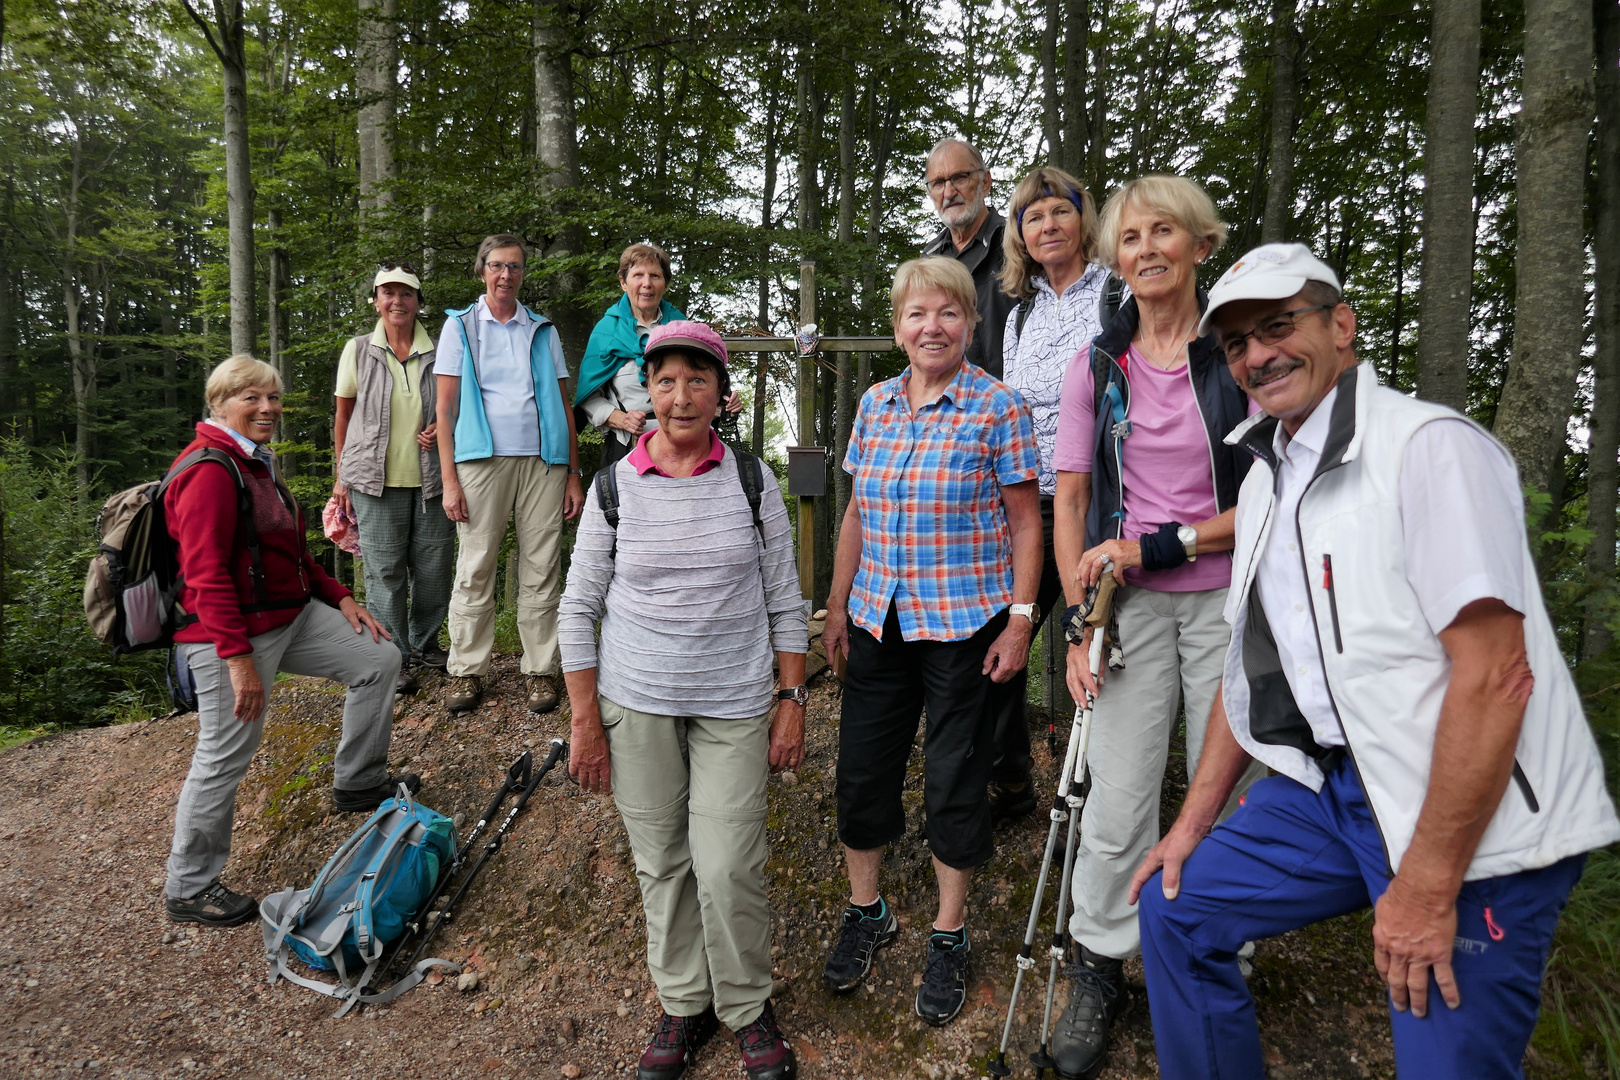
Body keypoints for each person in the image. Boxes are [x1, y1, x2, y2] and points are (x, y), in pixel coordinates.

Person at [1131, 242, 1620, 1079]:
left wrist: (1428, 886)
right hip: (1340, 789)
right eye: (1237, 343)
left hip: (1477, 819)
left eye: (1278, 325)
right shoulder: (1264, 479)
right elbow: (1252, 669)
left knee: (1444, 1056)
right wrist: (1189, 825)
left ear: (1342, 325)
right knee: (1175, 906)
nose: (1257, 355)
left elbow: (1499, 677)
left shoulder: (1426, 449)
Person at [1046, 175, 1257, 1080]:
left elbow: (1274, 495)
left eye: (1162, 233)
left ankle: (1218, 951)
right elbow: (1070, 495)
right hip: (1125, 608)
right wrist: (1073, 622)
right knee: (1119, 792)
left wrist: (1160, 545)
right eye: (1128, 240)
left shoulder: (1237, 355)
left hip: (1229, 597)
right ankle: (1101, 962)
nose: (1145, 252)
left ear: (1199, 245)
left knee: (1226, 795)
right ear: (1113, 258)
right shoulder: (1098, 364)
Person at [560, 320, 806, 1080]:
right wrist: (584, 722)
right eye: (665, 380)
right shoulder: (614, 485)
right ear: (648, 392)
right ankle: (683, 1002)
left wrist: (792, 697)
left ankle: (745, 1004)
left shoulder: (751, 479)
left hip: (734, 700)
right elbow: (578, 608)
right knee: (662, 861)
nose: (680, 395)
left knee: (728, 862)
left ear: (720, 395)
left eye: (697, 379)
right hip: (637, 704)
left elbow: (784, 597)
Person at [821, 257, 1042, 1027]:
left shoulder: (998, 407)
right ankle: (867, 909)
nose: (932, 327)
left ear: (970, 325)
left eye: (947, 313)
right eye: (917, 315)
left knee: (954, 778)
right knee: (861, 772)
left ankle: (949, 931)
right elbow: (854, 514)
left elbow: (1025, 521)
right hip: (880, 618)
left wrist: (1021, 619)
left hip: (964, 626)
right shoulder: (877, 405)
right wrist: (836, 604)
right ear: (898, 328)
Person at [162, 356, 417, 928]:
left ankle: (358, 782)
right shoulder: (209, 470)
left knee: (379, 658)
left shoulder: (256, 464)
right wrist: (237, 659)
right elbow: (204, 576)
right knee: (225, 754)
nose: (267, 409)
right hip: (229, 634)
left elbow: (291, 553)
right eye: (252, 398)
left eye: (273, 398)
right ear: (220, 403)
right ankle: (189, 885)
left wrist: (341, 596)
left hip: (291, 616)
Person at [988, 164, 1110, 822]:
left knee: (1091, 639)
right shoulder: (1021, 312)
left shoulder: (1115, 294)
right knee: (1008, 634)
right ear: (1020, 233)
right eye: (1033, 216)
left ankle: (1084, 791)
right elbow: (1011, 405)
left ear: (1081, 218)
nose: (1047, 225)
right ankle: (1010, 779)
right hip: (1026, 499)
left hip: (1097, 497)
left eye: (1059, 211)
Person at [435, 234, 585, 716]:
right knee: (476, 563)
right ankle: (465, 670)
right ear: (482, 270)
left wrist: (573, 474)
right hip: (479, 461)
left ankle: (540, 669)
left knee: (542, 565)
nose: (506, 275)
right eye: (497, 266)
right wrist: (450, 480)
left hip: (545, 462)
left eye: (515, 267)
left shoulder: (541, 329)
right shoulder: (460, 326)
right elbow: (445, 406)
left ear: (523, 274)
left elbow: (564, 404)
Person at [332, 262, 453, 695]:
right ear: (377, 300)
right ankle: (391, 655)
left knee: (435, 568)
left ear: (418, 302)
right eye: (389, 293)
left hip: (434, 480)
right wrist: (341, 476)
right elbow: (343, 415)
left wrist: (444, 424)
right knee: (385, 573)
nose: (397, 301)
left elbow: (455, 407)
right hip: (371, 482)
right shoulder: (359, 349)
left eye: (406, 294)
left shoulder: (441, 352)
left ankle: (424, 644)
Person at [575, 244, 743, 470]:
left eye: (655, 275)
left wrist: (723, 400)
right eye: (638, 275)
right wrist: (621, 419)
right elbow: (588, 398)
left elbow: (702, 379)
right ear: (623, 282)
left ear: (664, 284)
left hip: (688, 444)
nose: (647, 283)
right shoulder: (605, 333)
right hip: (628, 448)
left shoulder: (683, 328)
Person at [921, 138, 1016, 377]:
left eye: (959, 178)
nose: (949, 192)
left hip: (1016, 399)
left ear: (985, 182)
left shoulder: (1018, 244)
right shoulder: (928, 261)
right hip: (952, 405)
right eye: (938, 183)